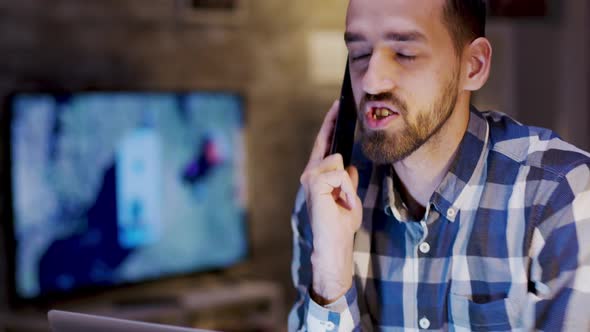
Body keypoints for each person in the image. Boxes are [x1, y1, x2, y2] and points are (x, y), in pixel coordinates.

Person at [289, 0, 590, 331]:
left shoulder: (561, 194)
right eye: (359, 54)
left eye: (405, 54)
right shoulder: (326, 199)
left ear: (472, 66)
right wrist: (330, 278)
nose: (372, 82)